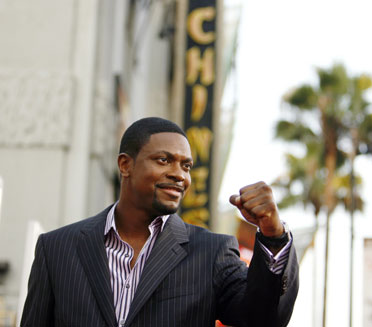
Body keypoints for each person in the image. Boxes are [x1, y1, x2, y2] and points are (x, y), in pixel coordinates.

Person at [21, 117, 298, 327]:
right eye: (164, 160)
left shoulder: (211, 253)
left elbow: (262, 319)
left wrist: (273, 234)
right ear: (125, 165)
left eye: (186, 165)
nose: (179, 175)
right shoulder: (56, 249)